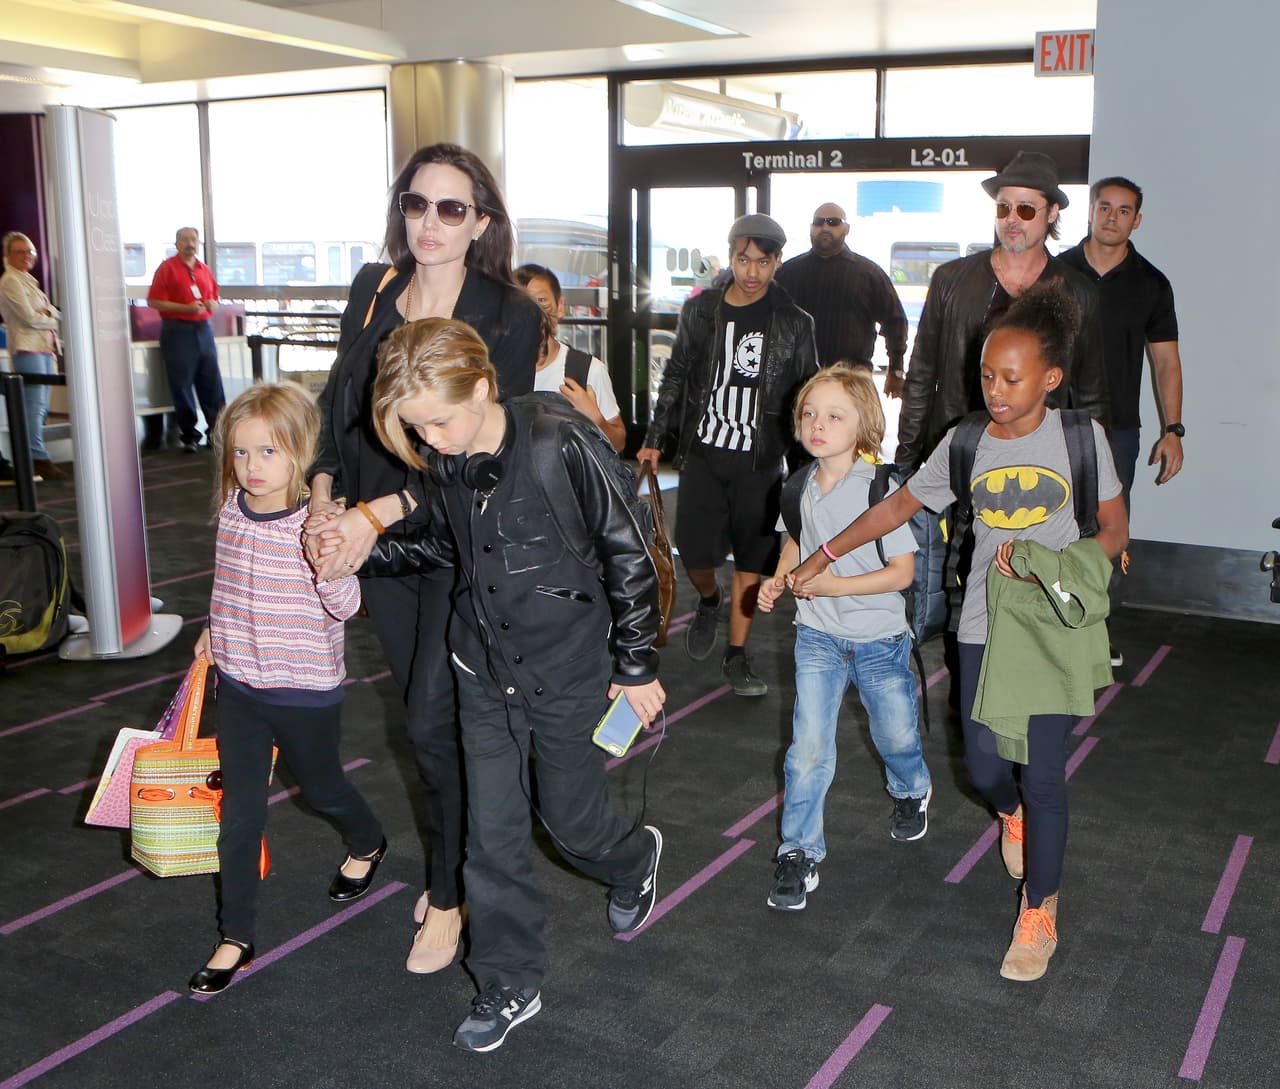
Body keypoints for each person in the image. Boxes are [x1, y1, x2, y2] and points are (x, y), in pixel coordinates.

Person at [791, 283, 1128, 982]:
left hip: (1051, 628)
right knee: (983, 766)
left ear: (1051, 378)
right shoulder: (966, 441)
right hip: (981, 622)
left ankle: (1039, 911)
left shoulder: (1080, 438)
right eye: (986, 375)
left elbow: (1115, 531)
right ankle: (1011, 815)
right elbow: (895, 510)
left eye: (1012, 378)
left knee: (1044, 773)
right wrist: (823, 553)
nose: (995, 390)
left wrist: (1056, 565)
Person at [357, 318, 665, 1052]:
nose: (430, 439)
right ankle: (508, 979)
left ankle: (633, 858)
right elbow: (445, 545)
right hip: (483, 670)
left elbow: (629, 554)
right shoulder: (451, 459)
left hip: (569, 669)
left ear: (481, 388)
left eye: (438, 421)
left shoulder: (559, 442)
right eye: (415, 428)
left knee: (570, 822)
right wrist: (363, 551)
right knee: (489, 838)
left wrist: (637, 666)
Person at [305, 143, 541, 974]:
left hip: (452, 535)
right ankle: (459, 864)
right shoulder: (373, 289)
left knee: (433, 721)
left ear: (481, 221)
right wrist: (325, 494)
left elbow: (484, 448)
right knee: (423, 716)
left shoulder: (509, 312)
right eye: (416, 203)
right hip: (373, 539)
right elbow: (338, 405)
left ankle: (448, 896)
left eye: (451, 207)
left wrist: (375, 515)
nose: (429, 222)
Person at [187, 382, 385, 996]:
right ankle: (235, 935)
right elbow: (228, 583)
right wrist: (213, 629)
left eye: (268, 451)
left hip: (303, 692)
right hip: (240, 687)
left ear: (301, 452)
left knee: (321, 790)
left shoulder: (317, 524)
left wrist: (328, 562)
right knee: (239, 815)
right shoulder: (231, 508)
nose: (252, 466)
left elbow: (346, 605)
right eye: (241, 452)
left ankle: (368, 841)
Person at [758, 365, 930, 912]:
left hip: (879, 639)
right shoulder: (797, 485)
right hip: (818, 637)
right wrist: (779, 578)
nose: (818, 424)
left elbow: (901, 573)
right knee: (807, 748)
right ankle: (799, 851)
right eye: (810, 413)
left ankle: (911, 789)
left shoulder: (880, 489)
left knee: (895, 736)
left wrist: (835, 584)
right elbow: (795, 542)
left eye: (834, 416)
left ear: (864, 425)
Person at [637, 213, 818, 697]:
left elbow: (807, 392)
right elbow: (676, 373)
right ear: (731, 256)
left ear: (777, 262)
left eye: (763, 262)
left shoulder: (796, 323)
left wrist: (811, 465)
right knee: (694, 553)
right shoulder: (701, 311)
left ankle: (737, 654)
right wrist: (655, 436)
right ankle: (709, 599)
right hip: (704, 452)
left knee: (750, 562)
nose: (752, 272)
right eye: (743, 260)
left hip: (760, 461)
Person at [894, 151, 1110, 471]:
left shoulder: (1078, 293)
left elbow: (1091, 394)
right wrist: (905, 464)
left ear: (1052, 213)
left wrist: (1091, 471)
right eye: (1003, 207)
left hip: (1039, 461)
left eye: (1026, 209)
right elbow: (921, 377)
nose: (1012, 219)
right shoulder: (950, 280)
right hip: (957, 453)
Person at [1058, 177, 1185, 666]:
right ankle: (1043, 625)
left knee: (1105, 532)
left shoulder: (1151, 284)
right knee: (1046, 521)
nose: (1112, 217)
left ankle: (1092, 630)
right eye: (1104, 207)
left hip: (1118, 432)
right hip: (1049, 422)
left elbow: (1166, 363)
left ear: (1137, 220)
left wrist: (1173, 430)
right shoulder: (1055, 271)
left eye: (1124, 210)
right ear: (1091, 211)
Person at [774, 202, 909, 384]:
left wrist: (896, 370)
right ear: (811, 228)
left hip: (852, 381)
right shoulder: (788, 273)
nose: (825, 227)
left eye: (833, 222)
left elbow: (895, 322)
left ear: (847, 229)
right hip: (797, 382)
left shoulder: (869, 274)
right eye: (819, 222)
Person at [514, 262, 626, 451]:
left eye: (541, 301)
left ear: (560, 307)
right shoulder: (495, 371)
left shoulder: (587, 371)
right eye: (520, 303)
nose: (532, 312)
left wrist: (595, 419)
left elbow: (619, 443)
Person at [146, 227, 226, 453]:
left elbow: (215, 298)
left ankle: (217, 432)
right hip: (177, 330)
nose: (190, 244)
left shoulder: (204, 270)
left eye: (193, 239)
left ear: (198, 243)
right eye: (185, 240)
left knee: (211, 382)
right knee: (182, 384)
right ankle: (189, 435)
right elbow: (154, 301)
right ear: (177, 244)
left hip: (204, 329)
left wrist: (212, 304)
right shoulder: (167, 268)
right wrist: (185, 308)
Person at [0, 231, 64, 480]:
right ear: (7, 255)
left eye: (30, 251)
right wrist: (51, 316)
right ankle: (36, 458)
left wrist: (48, 314)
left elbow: (49, 312)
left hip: (44, 348)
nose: (26, 256)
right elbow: (29, 318)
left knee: (41, 406)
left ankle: (36, 456)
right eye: (20, 252)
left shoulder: (28, 280)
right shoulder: (10, 280)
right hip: (27, 348)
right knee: (33, 406)